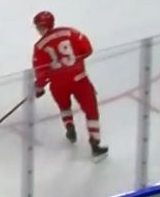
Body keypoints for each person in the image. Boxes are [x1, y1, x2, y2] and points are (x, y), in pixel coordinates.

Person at [31, 12, 108, 159]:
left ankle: (69, 126)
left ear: (41, 26)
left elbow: (40, 71)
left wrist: (39, 87)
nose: (37, 29)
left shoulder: (39, 46)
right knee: (91, 111)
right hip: (80, 79)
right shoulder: (70, 32)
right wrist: (75, 62)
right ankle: (95, 144)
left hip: (58, 84)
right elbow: (87, 49)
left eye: (37, 26)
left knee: (64, 106)